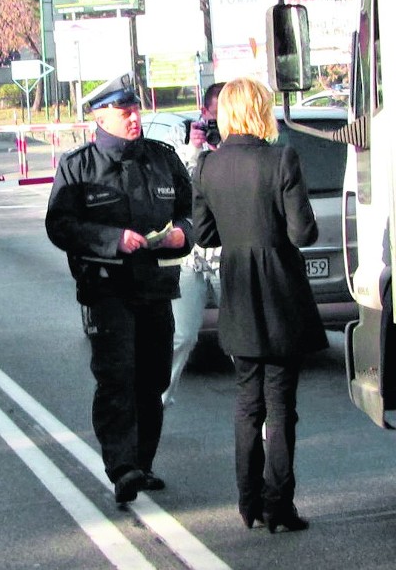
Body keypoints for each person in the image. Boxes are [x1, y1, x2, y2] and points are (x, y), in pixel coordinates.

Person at [45, 73, 193, 504]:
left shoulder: (163, 159)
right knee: (117, 378)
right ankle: (122, 467)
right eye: (125, 112)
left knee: (152, 378)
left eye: (136, 109)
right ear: (100, 116)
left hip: (156, 286)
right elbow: (60, 226)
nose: (134, 118)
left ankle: (143, 463)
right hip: (107, 289)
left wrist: (182, 234)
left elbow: (190, 212)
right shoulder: (79, 166)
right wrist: (112, 240)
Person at [192, 77, 328, 533]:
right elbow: (302, 233)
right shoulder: (280, 158)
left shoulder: (208, 167)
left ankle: (248, 501)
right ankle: (278, 506)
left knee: (247, 403)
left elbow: (204, 234)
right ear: (261, 110)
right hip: (281, 295)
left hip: (238, 294)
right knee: (281, 404)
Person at [162, 82, 225, 407]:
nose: (219, 124)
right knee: (182, 335)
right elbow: (179, 192)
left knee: (241, 335)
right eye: (215, 116)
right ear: (204, 114)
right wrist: (194, 149)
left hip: (227, 254)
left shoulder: (242, 144)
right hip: (192, 255)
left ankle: (258, 402)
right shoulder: (183, 139)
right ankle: (156, 402)